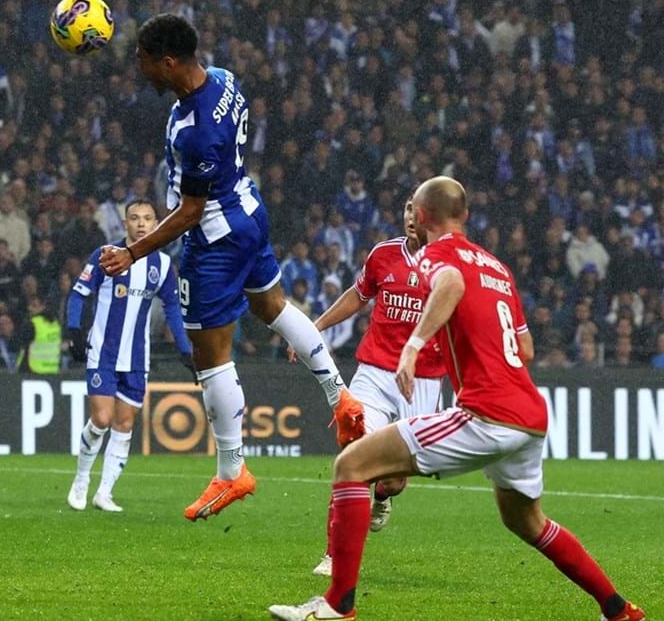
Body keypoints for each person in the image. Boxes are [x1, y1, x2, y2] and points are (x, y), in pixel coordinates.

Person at [269, 177, 646, 621]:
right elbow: (525, 350)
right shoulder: (497, 267)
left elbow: (448, 284)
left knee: (351, 465)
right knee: (528, 523)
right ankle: (618, 609)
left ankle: (337, 605)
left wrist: (414, 345)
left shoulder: (438, 255)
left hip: (486, 413)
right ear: (464, 214)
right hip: (529, 414)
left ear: (422, 216)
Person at [99, 14, 364, 522]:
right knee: (272, 305)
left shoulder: (193, 131)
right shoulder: (224, 79)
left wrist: (133, 252)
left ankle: (231, 470)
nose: (141, 70)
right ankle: (340, 396)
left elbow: (190, 211)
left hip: (215, 239)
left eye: (145, 61)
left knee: (211, 356)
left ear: (169, 61)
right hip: (249, 211)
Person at [300, 198, 446, 577]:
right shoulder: (383, 254)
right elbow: (357, 296)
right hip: (375, 372)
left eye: (421, 210)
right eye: (409, 208)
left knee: (396, 479)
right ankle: (334, 555)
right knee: (353, 457)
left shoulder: (450, 265)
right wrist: (315, 327)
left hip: (423, 380)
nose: (413, 217)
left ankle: (383, 497)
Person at [65, 199, 192, 512]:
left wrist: (186, 348)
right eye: (134, 218)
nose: (141, 224)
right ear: (125, 223)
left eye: (148, 218)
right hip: (103, 353)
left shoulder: (161, 265)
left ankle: (104, 492)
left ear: (156, 224)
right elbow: (79, 294)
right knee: (102, 419)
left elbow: (173, 309)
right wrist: (75, 332)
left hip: (136, 358)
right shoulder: (107, 254)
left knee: (123, 424)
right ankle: (81, 480)